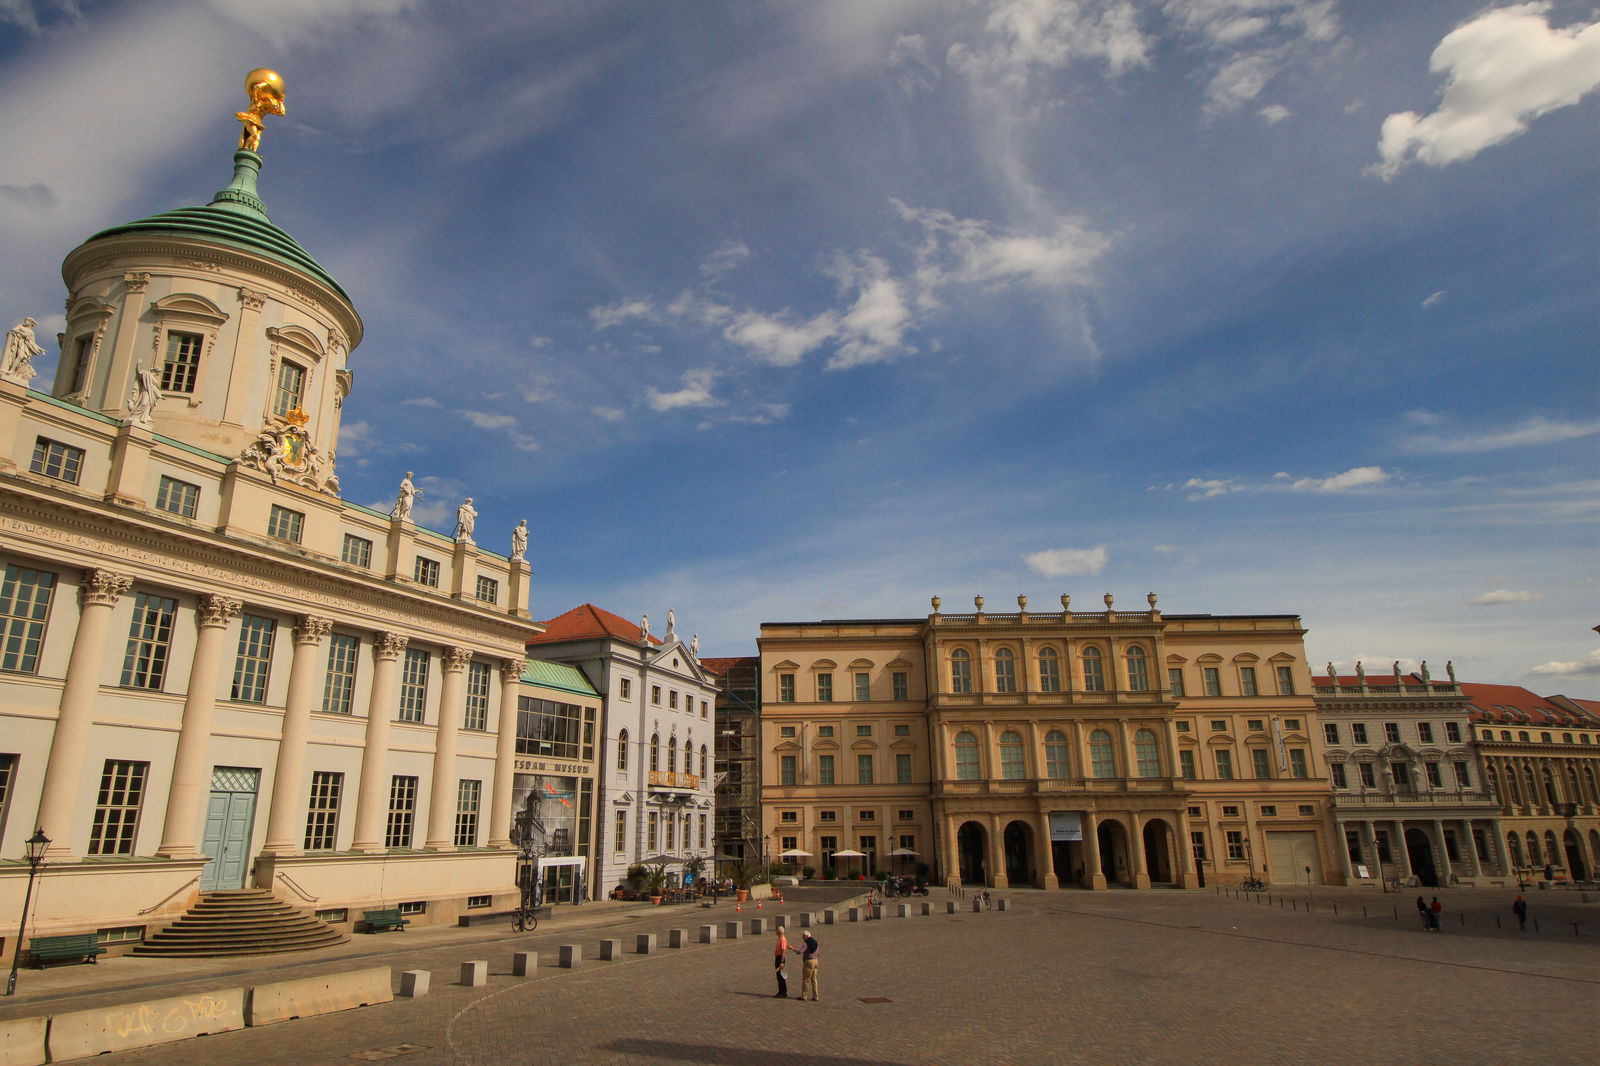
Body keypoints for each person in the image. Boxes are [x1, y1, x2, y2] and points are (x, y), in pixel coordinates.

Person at [790, 930, 820, 1001]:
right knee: (814, 979)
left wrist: (793, 949)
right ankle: (816, 996)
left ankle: (804, 995)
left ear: (806, 936)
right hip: (816, 961)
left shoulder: (806, 943)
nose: (803, 939)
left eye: (803, 937)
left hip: (809, 961)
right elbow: (818, 953)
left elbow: (800, 952)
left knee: (806, 979)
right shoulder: (816, 942)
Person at [772, 926, 789, 998]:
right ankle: (781, 991)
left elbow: (783, 951)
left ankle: (783, 992)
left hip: (780, 959)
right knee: (779, 976)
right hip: (778, 957)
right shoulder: (780, 938)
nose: (775, 931)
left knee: (780, 976)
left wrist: (782, 962)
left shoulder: (782, 939)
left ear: (778, 932)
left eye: (776, 930)